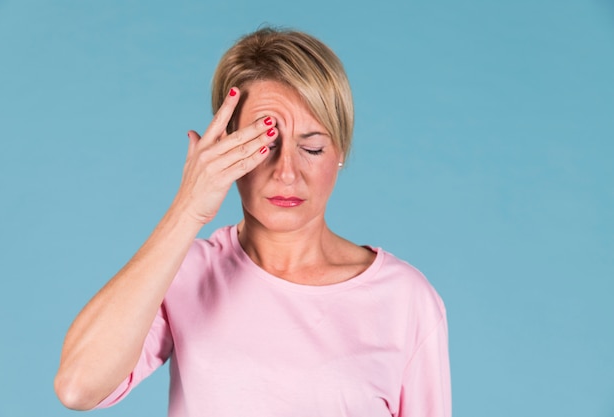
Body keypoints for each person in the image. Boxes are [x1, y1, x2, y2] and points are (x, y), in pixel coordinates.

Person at [54, 27, 451, 417]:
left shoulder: (404, 300)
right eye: (264, 145)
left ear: (340, 150)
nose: (287, 173)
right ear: (225, 145)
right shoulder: (186, 272)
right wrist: (187, 209)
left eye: (311, 147)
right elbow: (77, 387)